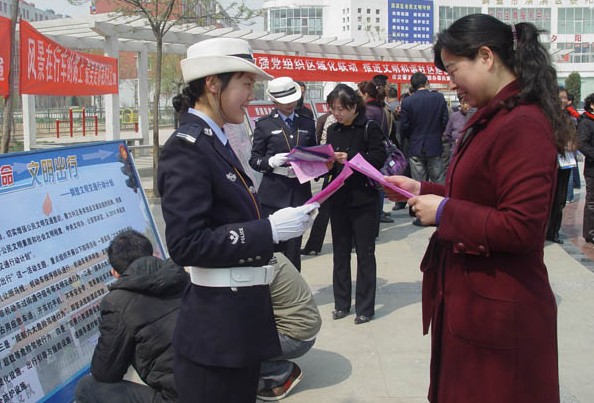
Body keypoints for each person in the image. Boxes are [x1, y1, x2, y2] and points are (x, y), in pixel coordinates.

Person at [385, 14, 569, 403]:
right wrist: (421, 188)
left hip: (500, 312)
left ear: (486, 56)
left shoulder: (522, 123)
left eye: (454, 69)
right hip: (475, 301)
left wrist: (445, 211)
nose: (451, 82)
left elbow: (522, 226)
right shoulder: (495, 116)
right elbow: (478, 193)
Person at [157, 38, 318, 403]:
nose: (250, 94)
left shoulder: (214, 139)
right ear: (213, 83)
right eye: (245, 84)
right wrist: (270, 229)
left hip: (239, 323)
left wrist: (278, 222)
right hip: (217, 332)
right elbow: (186, 243)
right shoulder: (187, 147)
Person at [75, 230, 189, 403]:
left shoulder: (118, 302)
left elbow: (105, 371)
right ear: (151, 254)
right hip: (224, 382)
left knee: (87, 387)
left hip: (182, 397)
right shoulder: (181, 276)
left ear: (115, 272)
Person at [326, 84, 386, 325]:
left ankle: (365, 307)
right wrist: (325, 164)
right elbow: (328, 164)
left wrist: (350, 159)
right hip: (339, 198)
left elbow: (378, 158)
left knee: (365, 253)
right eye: (333, 109)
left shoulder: (369, 127)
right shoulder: (333, 130)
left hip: (363, 200)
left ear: (353, 106)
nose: (336, 113)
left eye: (341, 109)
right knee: (340, 253)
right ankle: (341, 303)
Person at [249, 76, 318, 271]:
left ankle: (294, 293)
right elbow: (254, 159)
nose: (290, 104)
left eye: (292, 99)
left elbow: (313, 152)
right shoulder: (264, 125)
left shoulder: (306, 122)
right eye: (284, 101)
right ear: (274, 101)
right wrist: (270, 162)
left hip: (299, 191)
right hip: (273, 193)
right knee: (274, 246)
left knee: (294, 247)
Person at [257, 253, 322, 401]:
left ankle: (282, 373)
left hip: (295, 337)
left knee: (228, 349)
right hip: (302, 328)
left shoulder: (256, 267)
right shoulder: (268, 253)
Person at [400, 72, 449, 185]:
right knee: (438, 181)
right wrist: (438, 133)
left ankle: (421, 202)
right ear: (427, 82)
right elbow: (445, 120)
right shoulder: (438, 98)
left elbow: (404, 126)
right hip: (434, 144)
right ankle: (438, 202)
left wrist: (411, 137)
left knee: (419, 184)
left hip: (416, 145)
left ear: (412, 85)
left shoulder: (407, 101)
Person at [358, 80, 394, 226]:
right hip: (380, 150)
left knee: (374, 184)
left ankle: (376, 215)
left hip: (371, 152)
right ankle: (378, 214)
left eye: (359, 94)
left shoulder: (367, 112)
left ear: (365, 94)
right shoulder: (382, 109)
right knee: (378, 182)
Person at [546, 87, 575, 243]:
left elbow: (575, 138)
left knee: (561, 199)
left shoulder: (568, 117)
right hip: (553, 163)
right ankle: (546, 230)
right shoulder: (548, 116)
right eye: (560, 97)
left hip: (567, 163)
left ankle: (554, 231)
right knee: (551, 198)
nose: (563, 100)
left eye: (565, 97)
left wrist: (572, 144)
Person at [578, 93, 594, 244]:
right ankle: (590, 233)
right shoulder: (586, 122)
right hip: (592, 169)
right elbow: (582, 144)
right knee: (591, 202)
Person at [441, 99, 473, 172]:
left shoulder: (475, 116)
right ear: (460, 105)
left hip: (470, 154)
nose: (465, 106)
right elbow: (447, 134)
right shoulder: (454, 116)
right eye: (463, 103)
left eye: (467, 103)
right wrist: (453, 141)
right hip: (455, 152)